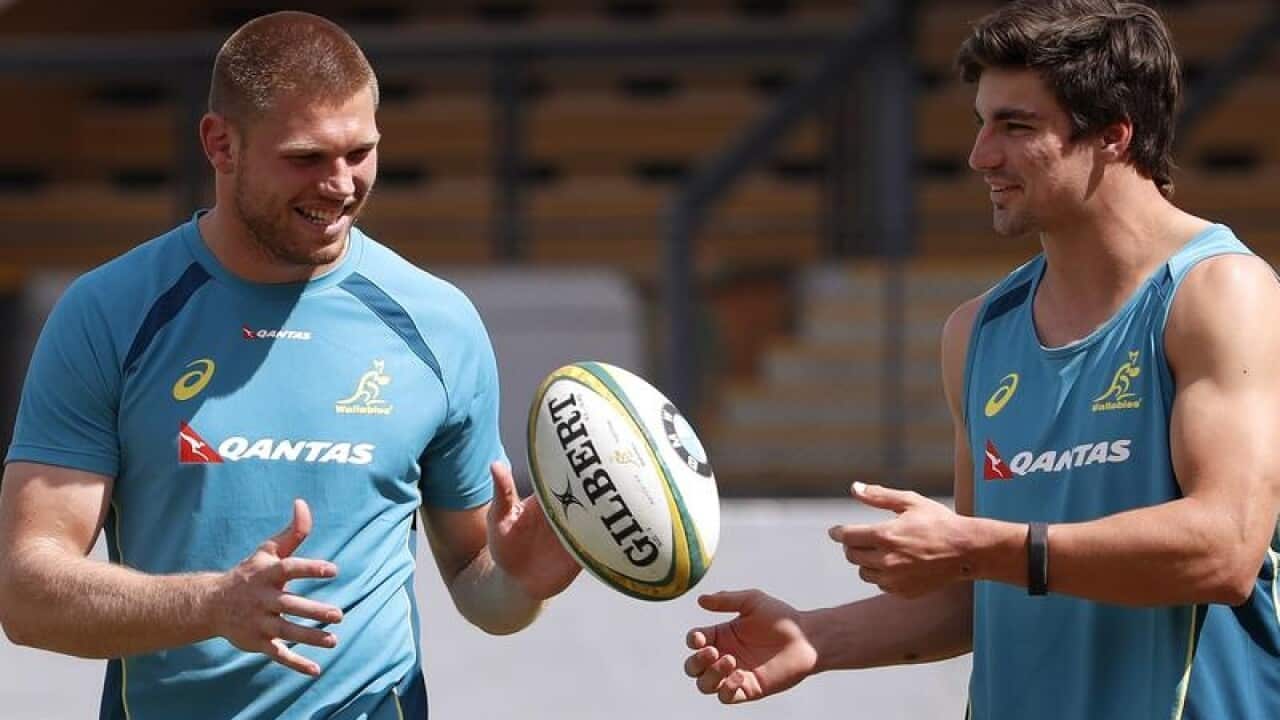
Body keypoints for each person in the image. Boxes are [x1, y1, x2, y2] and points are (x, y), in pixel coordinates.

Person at [682, 1, 1280, 718]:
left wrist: (981, 546)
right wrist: (815, 637)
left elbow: (1226, 549)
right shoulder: (977, 332)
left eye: (1016, 127)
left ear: (1115, 135)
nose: (980, 156)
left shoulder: (1219, 292)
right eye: (981, 122)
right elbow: (979, 593)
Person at [0, 11, 580, 719]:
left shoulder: (439, 324)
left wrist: (518, 584)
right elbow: (26, 595)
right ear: (221, 144)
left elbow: (479, 589)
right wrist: (212, 605)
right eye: (307, 158)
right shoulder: (110, 313)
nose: (340, 185)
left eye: (360, 152)